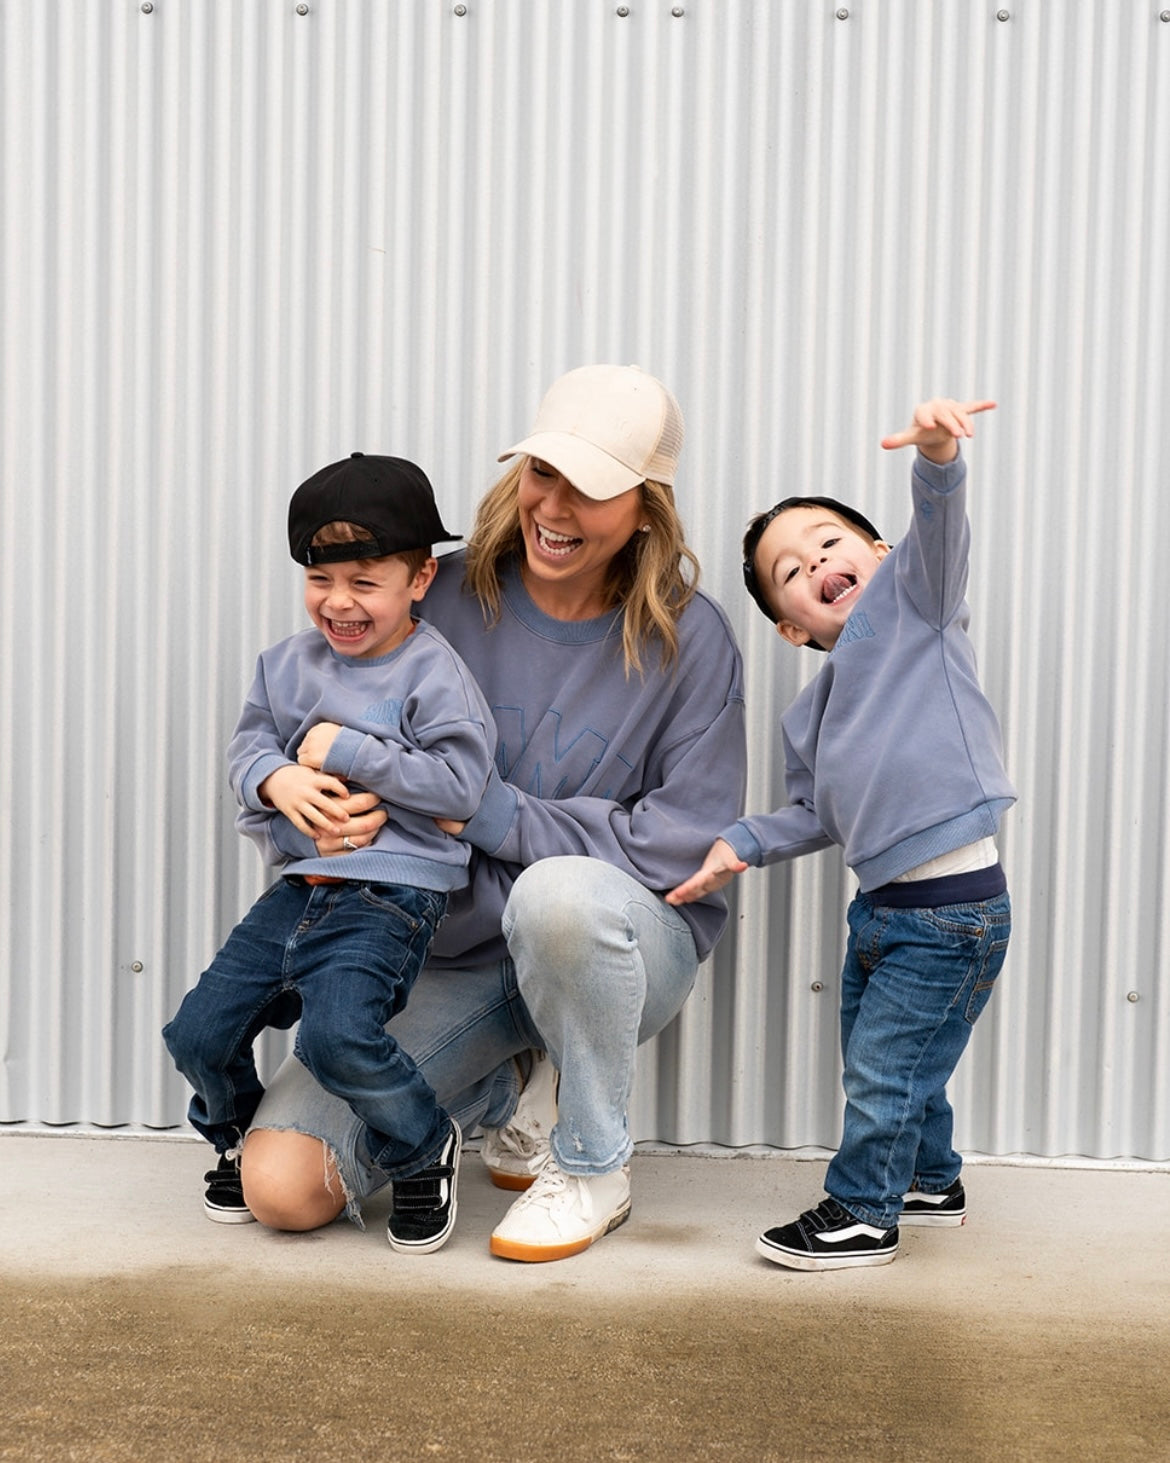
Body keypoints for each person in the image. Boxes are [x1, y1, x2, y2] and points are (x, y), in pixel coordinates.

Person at [241, 364, 748, 1261]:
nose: (555, 506)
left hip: (616, 944)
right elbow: (305, 735)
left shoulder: (688, 634)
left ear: (646, 503)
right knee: (284, 1187)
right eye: (541, 473)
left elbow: (677, 844)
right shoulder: (432, 593)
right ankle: (503, 1083)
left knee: (557, 900)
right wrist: (292, 799)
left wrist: (492, 815)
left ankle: (592, 1160)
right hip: (445, 944)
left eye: (592, 486)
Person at [668, 397, 1015, 1271]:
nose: (816, 559)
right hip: (885, 913)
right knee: (892, 1057)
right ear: (793, 626)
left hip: (952, 910)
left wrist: (937, 459)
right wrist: (738, 842)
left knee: (885, 1068)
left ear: (885, 556)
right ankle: (930, 1179)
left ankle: (864, 1210)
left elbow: (941, 527)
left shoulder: (918, 612)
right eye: (790, 569)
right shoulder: (809, 716)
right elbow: (814, 814)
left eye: (829, 541)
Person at [163, 453, 496, 1255]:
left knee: (337, 1035)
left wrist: (345, 747)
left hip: (388, 897)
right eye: (321, 579)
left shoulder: (434, 673)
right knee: (198, 1034)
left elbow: (461, 786)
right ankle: (236, 1132)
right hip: (298, 890)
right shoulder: (284, 664)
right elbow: (248, 748)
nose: (339, 602)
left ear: (419, 578)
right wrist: (276, 778)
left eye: (364, 580)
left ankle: (421, 1146)